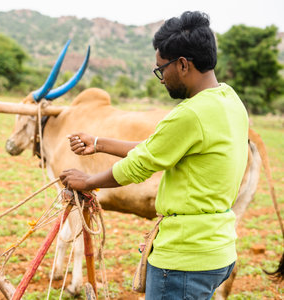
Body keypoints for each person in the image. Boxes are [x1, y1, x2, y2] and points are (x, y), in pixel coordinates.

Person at [59, 11, 249, 299]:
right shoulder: (229, 100)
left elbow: (138, 165)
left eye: (162, 69)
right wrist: (98, 143)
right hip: (217, 250)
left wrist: (87, 181)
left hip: (183, 259)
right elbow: (157, 150)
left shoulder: (190, 114)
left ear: (183, 64)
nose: (161, 79)